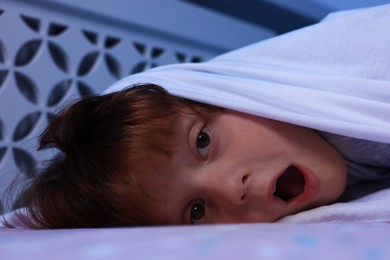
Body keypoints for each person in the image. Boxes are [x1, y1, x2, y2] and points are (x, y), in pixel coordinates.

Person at [5, 4, 390, 228]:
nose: (231, 188)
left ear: (230, 97)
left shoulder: (369, 57)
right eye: (196, 211)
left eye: (202, 141)